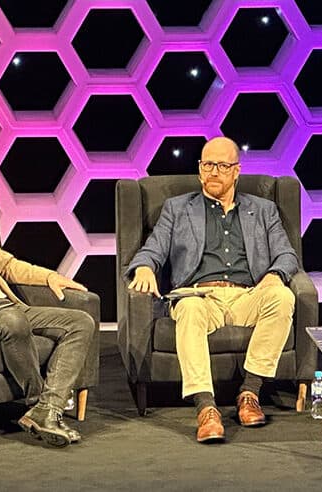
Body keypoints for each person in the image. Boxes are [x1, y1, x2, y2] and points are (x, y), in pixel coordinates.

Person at [125, 136, 297, 443]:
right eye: (207, 165)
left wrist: (275, 274)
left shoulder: (263, 210)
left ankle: (250, 393)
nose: (213, 172)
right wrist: (144, 267)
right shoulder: (178, 209)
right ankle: (206, 408)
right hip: (200, 296)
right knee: (188, 309)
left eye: (221, 165)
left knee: (283, 296)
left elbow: (286, 255)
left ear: (236, 171)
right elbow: (153, 248)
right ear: (199, 169)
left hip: (248, 294)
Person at [0, 158, 95, 448]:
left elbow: (5, 264)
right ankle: (40, 402)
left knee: (80, 322)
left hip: (3, 302)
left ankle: (46, 409)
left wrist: (49, 277)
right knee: (14, 322)